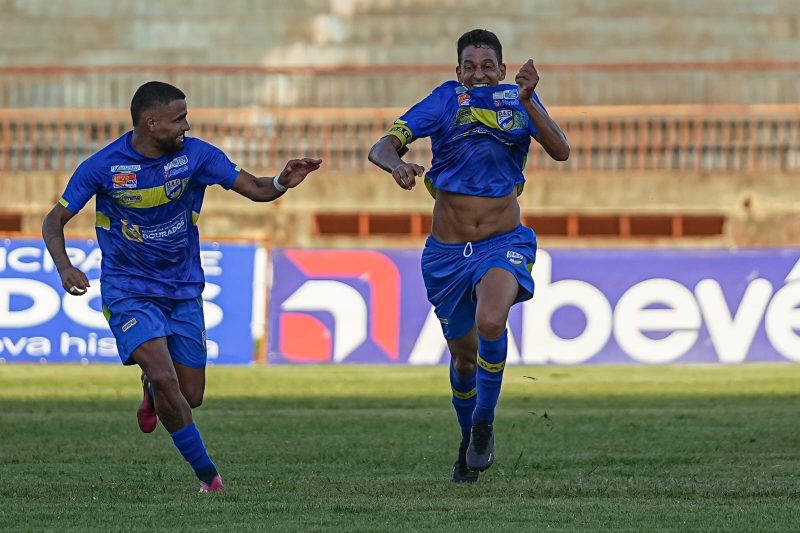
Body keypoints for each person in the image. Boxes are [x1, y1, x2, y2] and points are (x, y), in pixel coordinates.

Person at [42, 81, 322, 492]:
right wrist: (65, 267)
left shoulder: (197, 156)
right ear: (151, 123)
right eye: (178, 119)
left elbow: (257, 189)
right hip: (128, 289)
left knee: (189, 395)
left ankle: (152, 390)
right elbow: (53, 221)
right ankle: (210, 478)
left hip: (183, 286)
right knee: (164, 374)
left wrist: (281, 181)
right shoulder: (103, 166)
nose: (186, 126)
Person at [368, 29, 569, 483]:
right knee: (462, 359)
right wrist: (397, 164)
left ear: (502, 68)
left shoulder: (519, 101)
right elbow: (381, 146)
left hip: (504, 242)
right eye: (469, 67)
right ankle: (467, 441)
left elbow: (561, 151)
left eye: (487, 66)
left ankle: (484, 421)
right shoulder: (444, 100)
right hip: (447, 256)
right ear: (457, 71)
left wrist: (531, 99)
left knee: (492, 321)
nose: (479, 74)